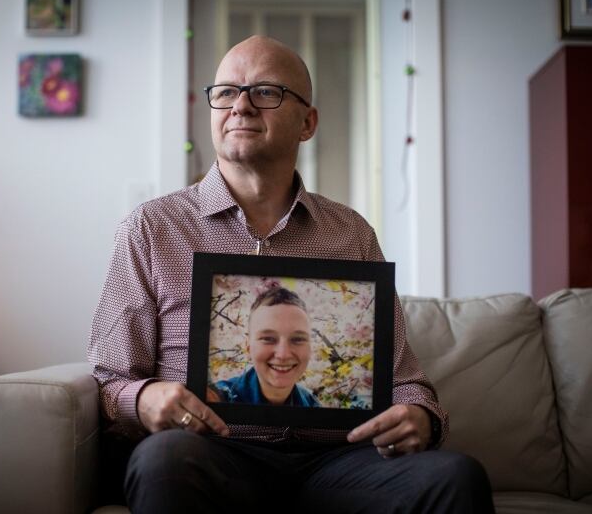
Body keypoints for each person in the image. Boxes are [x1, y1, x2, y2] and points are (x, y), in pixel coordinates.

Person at [88, 35, 494, 513]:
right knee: (163, 460)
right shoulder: (151, 229)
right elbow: (111, 380)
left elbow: (403, 379)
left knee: (456, 477)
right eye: (225, 92)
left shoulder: (352, 234)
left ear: (308, 122)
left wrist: (422, 418)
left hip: (338, 461)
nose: (240, 105)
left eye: (265, 91)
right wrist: (146, 399)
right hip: (209, 453)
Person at [210, 286, 320, 407]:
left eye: (297, 339)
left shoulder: (312, 405)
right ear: (248, 347)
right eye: (268, 339)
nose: (283, 355)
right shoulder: (217, 400)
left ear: (310, 348)